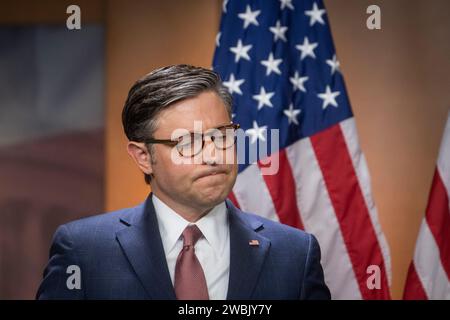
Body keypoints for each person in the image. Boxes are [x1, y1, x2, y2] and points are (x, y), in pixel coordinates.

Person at [36, 64, 331, 300]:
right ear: (143, 156)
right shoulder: (84, 252)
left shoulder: (295, 254)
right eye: (188, 142)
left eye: (222, 135)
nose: (214, 155)